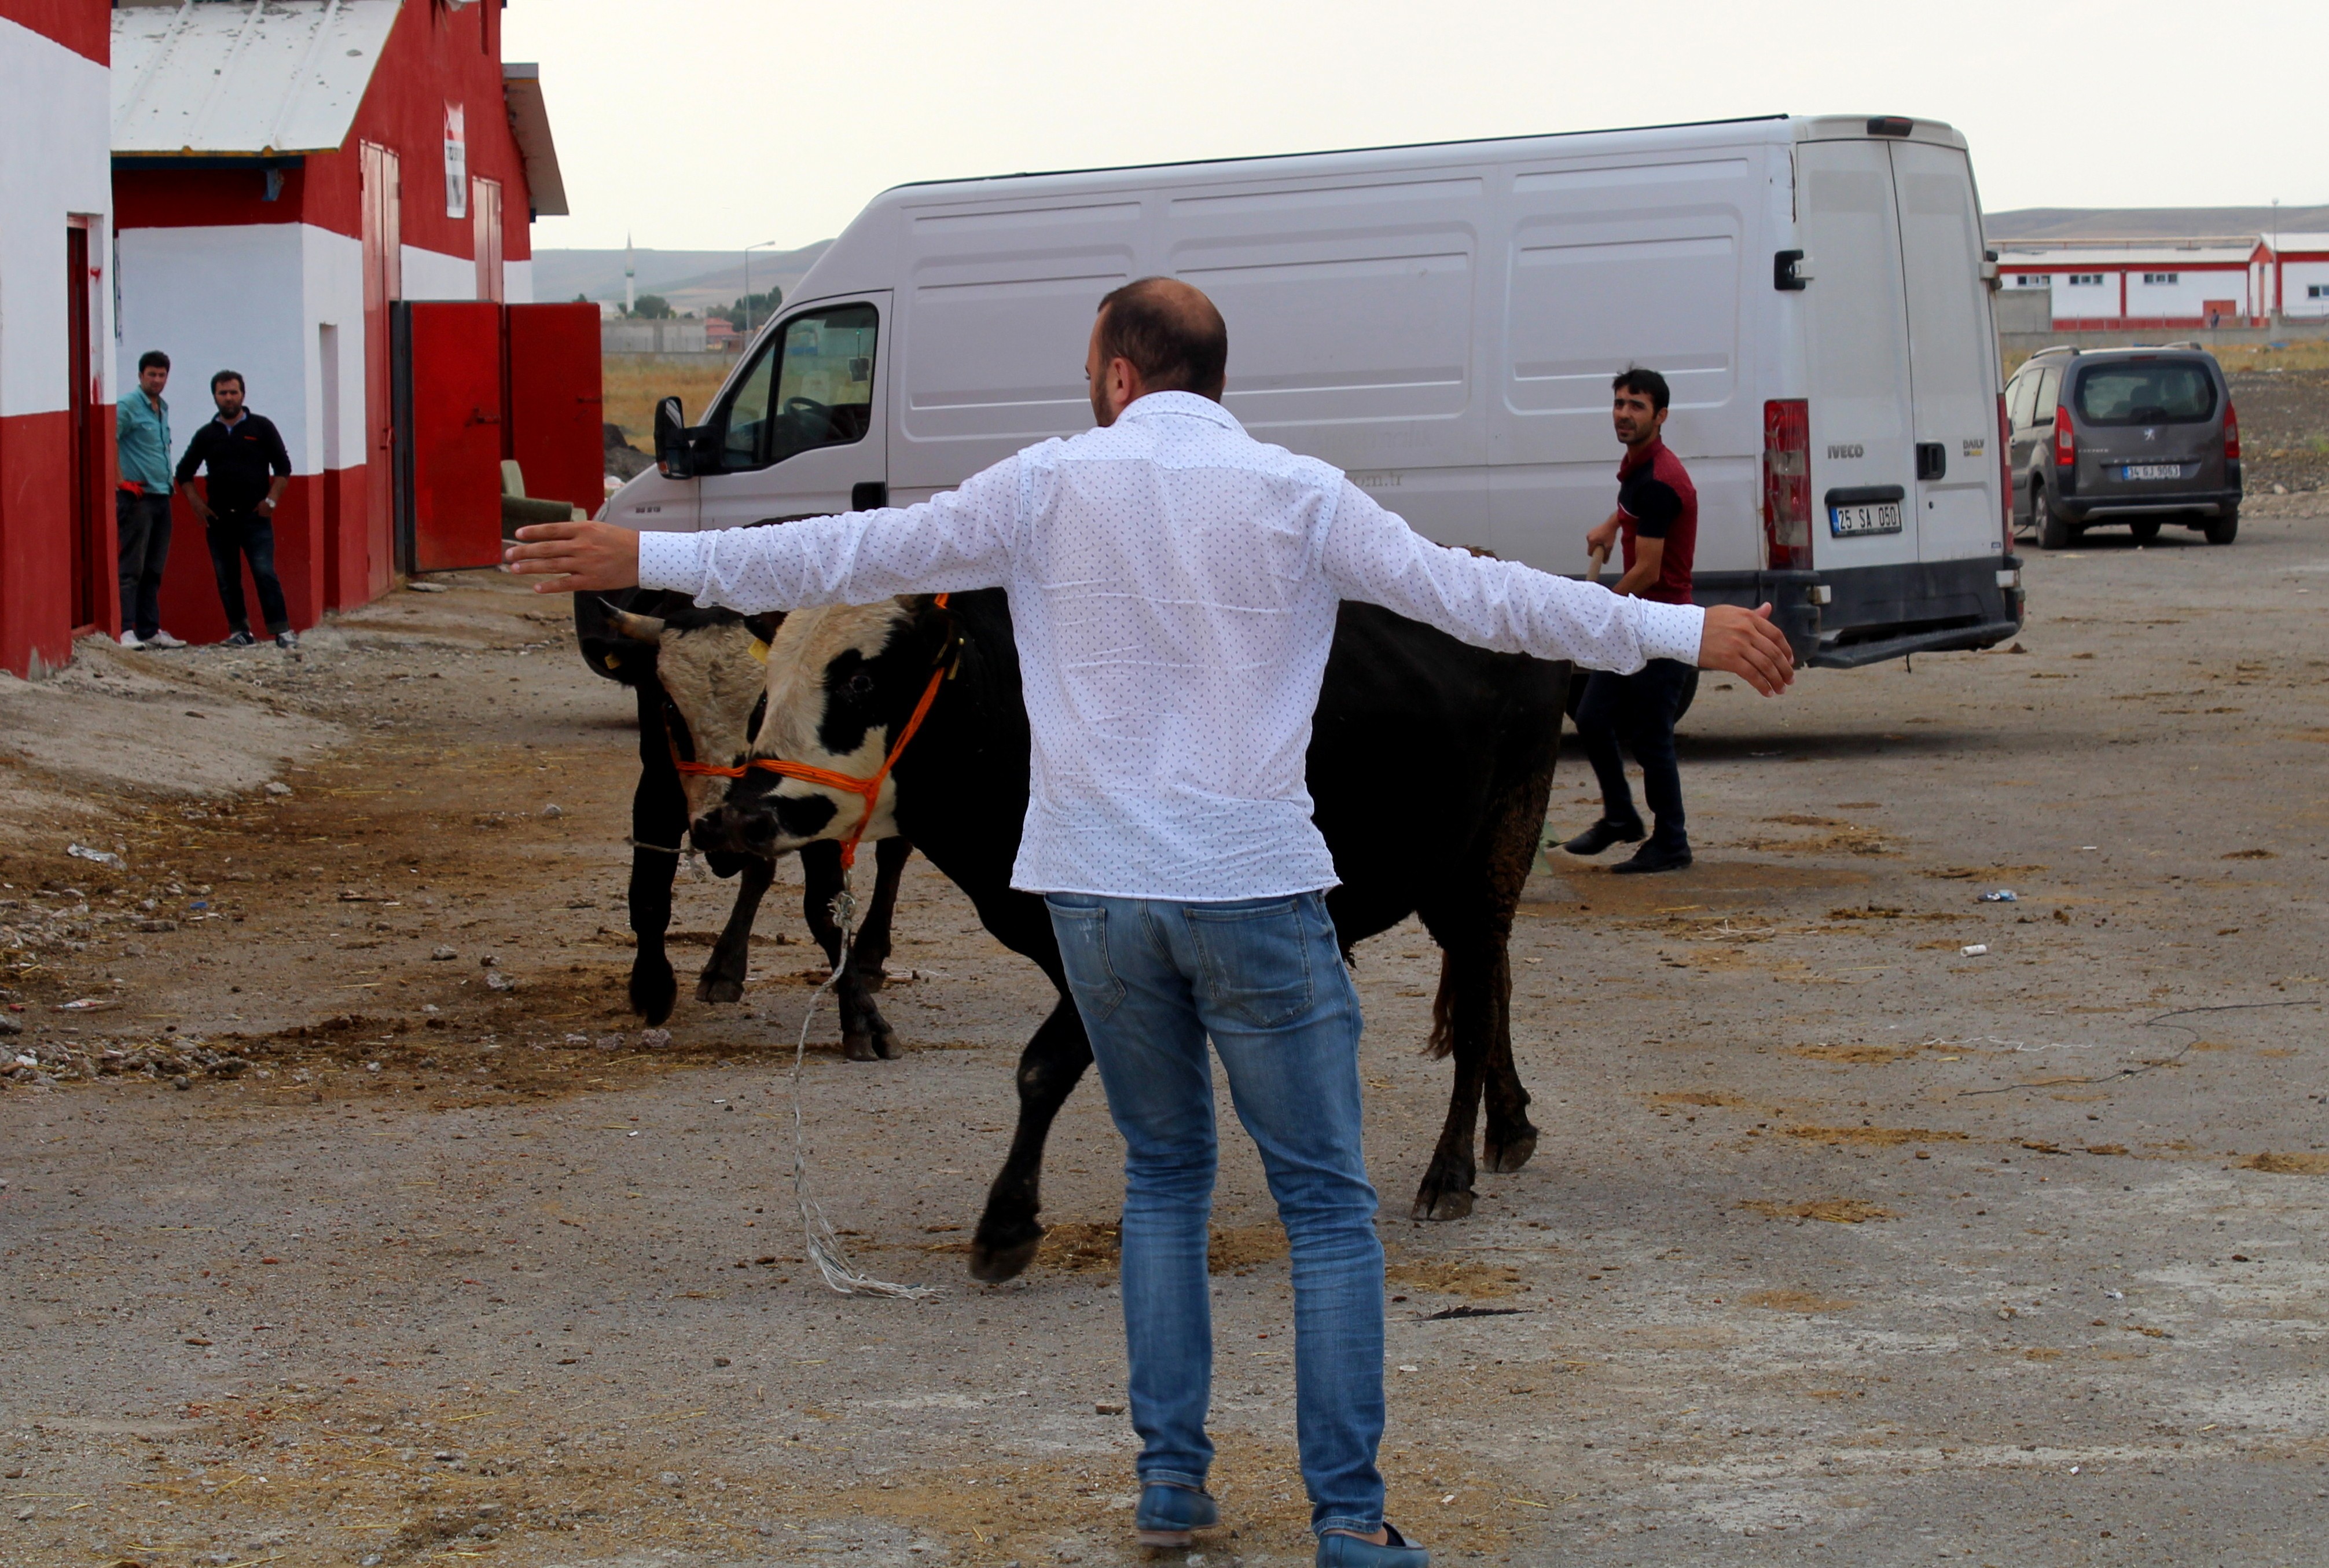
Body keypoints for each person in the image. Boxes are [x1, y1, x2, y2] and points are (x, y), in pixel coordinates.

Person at [504, 280, 1794, 1568]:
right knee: (1327, 1212)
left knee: (1165, 1185)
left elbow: (845, 557)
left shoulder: (1045, 487)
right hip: (1254, 893)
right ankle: (1347, 1520)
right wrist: (1684, 628)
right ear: (1207, 378)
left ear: (1119, 372)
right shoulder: (1296, 494)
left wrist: (653, 556)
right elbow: (1484, 600)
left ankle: (1171, 1487)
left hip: (1100, 905)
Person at [1563, 366, 1701, 873]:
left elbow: (1647, 570)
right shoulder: (1639, 466)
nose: (1624, 413)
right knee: (1593, 716)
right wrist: (1611, 522)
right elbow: (1633, 507)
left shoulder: (1661, 480)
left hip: (1663, 623)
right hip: (1639, 618)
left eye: (1636, 406)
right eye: (1620, 403)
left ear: (1660, 416)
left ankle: (1672, 842)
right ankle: (1621, 816)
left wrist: (1598, 610)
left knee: (1650, 735)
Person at [174, 370, 296, 649]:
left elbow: (283, 468)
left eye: (233, 392)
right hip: (219, 521)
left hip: (255, 518)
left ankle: (282, 631)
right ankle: (240, 631)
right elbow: (184, 473)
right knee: (227, 578)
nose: (228, 398)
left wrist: (272, 502)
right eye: (223, 393)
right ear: (214, 396)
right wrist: (197, 506)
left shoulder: (262, 428)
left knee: (265, 573)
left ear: (243, 394)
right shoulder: (206, 435)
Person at [114, 350, 186, 649]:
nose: (157, 380)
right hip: (138, 497)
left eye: (162, 375)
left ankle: (149, 629)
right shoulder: (128, 406)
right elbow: (109, 438)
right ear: (140, 375)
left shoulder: (162, 408)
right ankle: (124, 629)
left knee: (154, 568)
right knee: (132, 566)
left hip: (161, 494)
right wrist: (119, 480)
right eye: (152, 375)